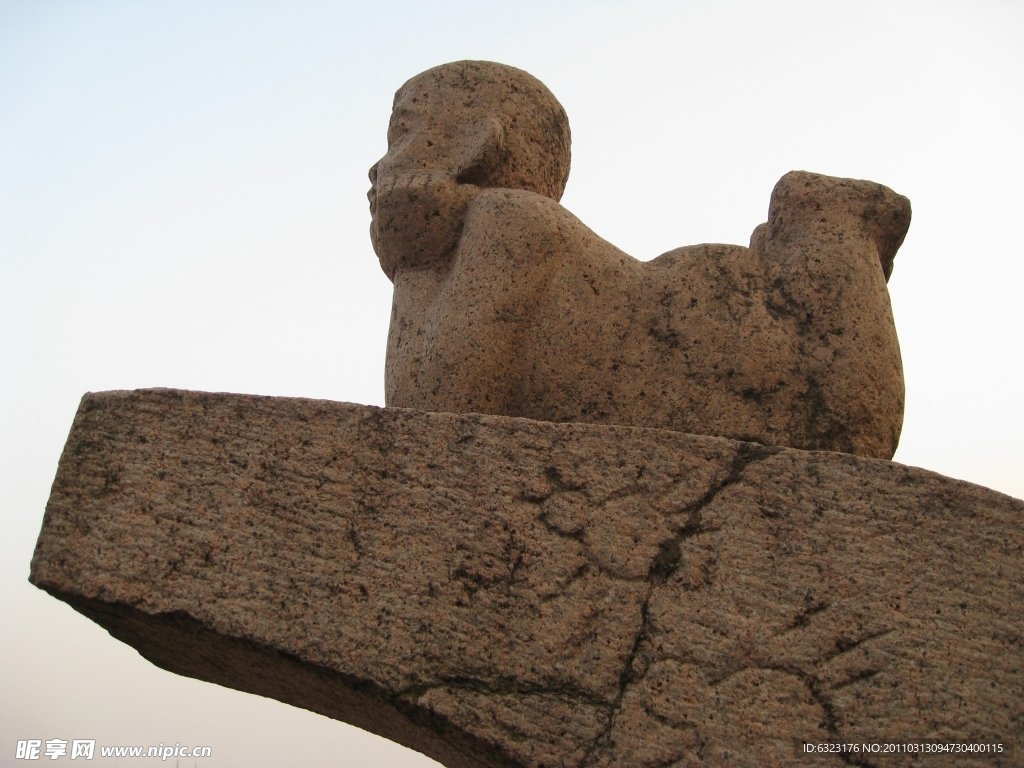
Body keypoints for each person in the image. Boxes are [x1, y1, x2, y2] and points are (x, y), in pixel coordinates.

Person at [368, 60, 910, 459]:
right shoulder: (462, 256)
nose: (378, 167)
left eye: (402, 134)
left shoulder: (510, 220)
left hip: (821, 402)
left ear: (473, 143)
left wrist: (410, 259)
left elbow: (434, 416)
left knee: (804, 207)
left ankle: (840, 217)